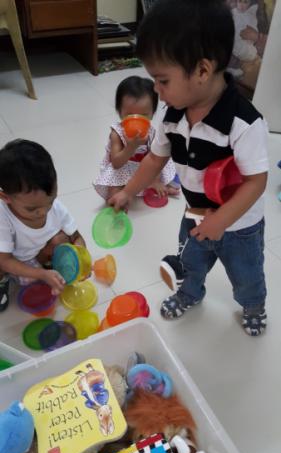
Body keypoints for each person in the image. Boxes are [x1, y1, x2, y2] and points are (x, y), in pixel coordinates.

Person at [108, 0, 269, 336]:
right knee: (191, 263)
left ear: (202, 70)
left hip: (239, 226)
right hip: (194, 214)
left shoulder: (243, 122)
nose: (156, 89)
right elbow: (154, 159)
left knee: (246, 274)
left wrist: (222, 220)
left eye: (162, 80)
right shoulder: (172, 117)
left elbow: (256, 181)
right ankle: (190, 292)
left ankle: (254, 305)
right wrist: (127, 191)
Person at [0, 139, 86, 312]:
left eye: (51, 200)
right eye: (32, 209)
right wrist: (41, 275)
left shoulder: (54, 208)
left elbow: (76, 237)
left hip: (36, 256)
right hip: (10, 261)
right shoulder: (3, 216)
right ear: (5, 197)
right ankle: (3, 282)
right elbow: (5, 261)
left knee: (62, 238)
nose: (44, 212)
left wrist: (82, 260)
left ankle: (50, 269)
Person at [93, 75, 178, 200]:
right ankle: (116, 207)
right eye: (130, 114)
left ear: (153, 113)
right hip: (122, 167)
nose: (136, 120)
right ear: (119, 111)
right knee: (113, 190)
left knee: (161, 169)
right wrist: (131, 147)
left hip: (143, 167)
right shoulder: (117, 133)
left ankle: (155, 185)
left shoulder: (151, 132)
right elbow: (116, 163)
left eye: (143, 115)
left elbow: (155, 159)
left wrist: (155, 180)